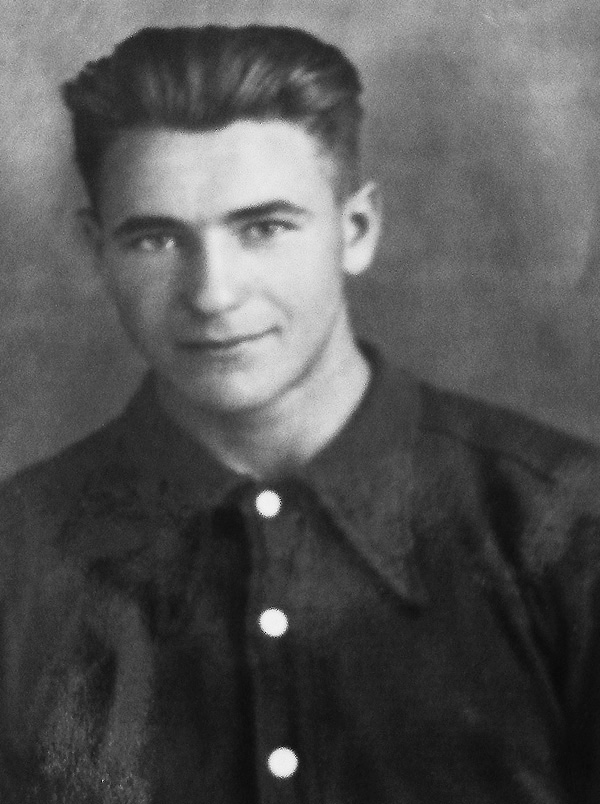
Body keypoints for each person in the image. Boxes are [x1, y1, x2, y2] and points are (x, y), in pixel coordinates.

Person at [0, 23, 599, 804]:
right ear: (96, 251)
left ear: (356, 231)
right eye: (156, 240)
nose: (213, 294)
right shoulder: (17, 556)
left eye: (264, 229)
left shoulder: (568, 528)